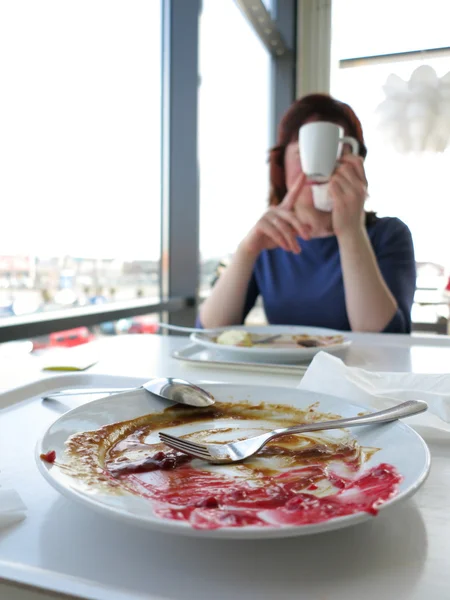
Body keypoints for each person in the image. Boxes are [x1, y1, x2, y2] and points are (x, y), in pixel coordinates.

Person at [199, 93, 416, 333]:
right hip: (286, 371)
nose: (317, 166)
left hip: (361, 372)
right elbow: (210, 331)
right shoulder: (270, 242)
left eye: (333, 152)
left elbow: (388, 341)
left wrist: (350, 231)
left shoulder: (388, 234)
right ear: (282, 164)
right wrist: (246, 251)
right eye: (304, 152)